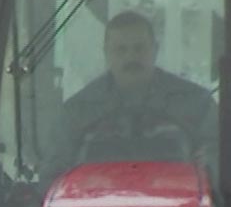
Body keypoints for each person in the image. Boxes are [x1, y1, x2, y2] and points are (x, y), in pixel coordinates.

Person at [60, 10, 217, 165]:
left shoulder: (197, 105)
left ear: (155, 50)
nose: (131, 57)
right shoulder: (78, 112)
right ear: (106, 53)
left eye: (139, 48)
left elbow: (221, 171)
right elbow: (54, 179)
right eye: (121, 49)